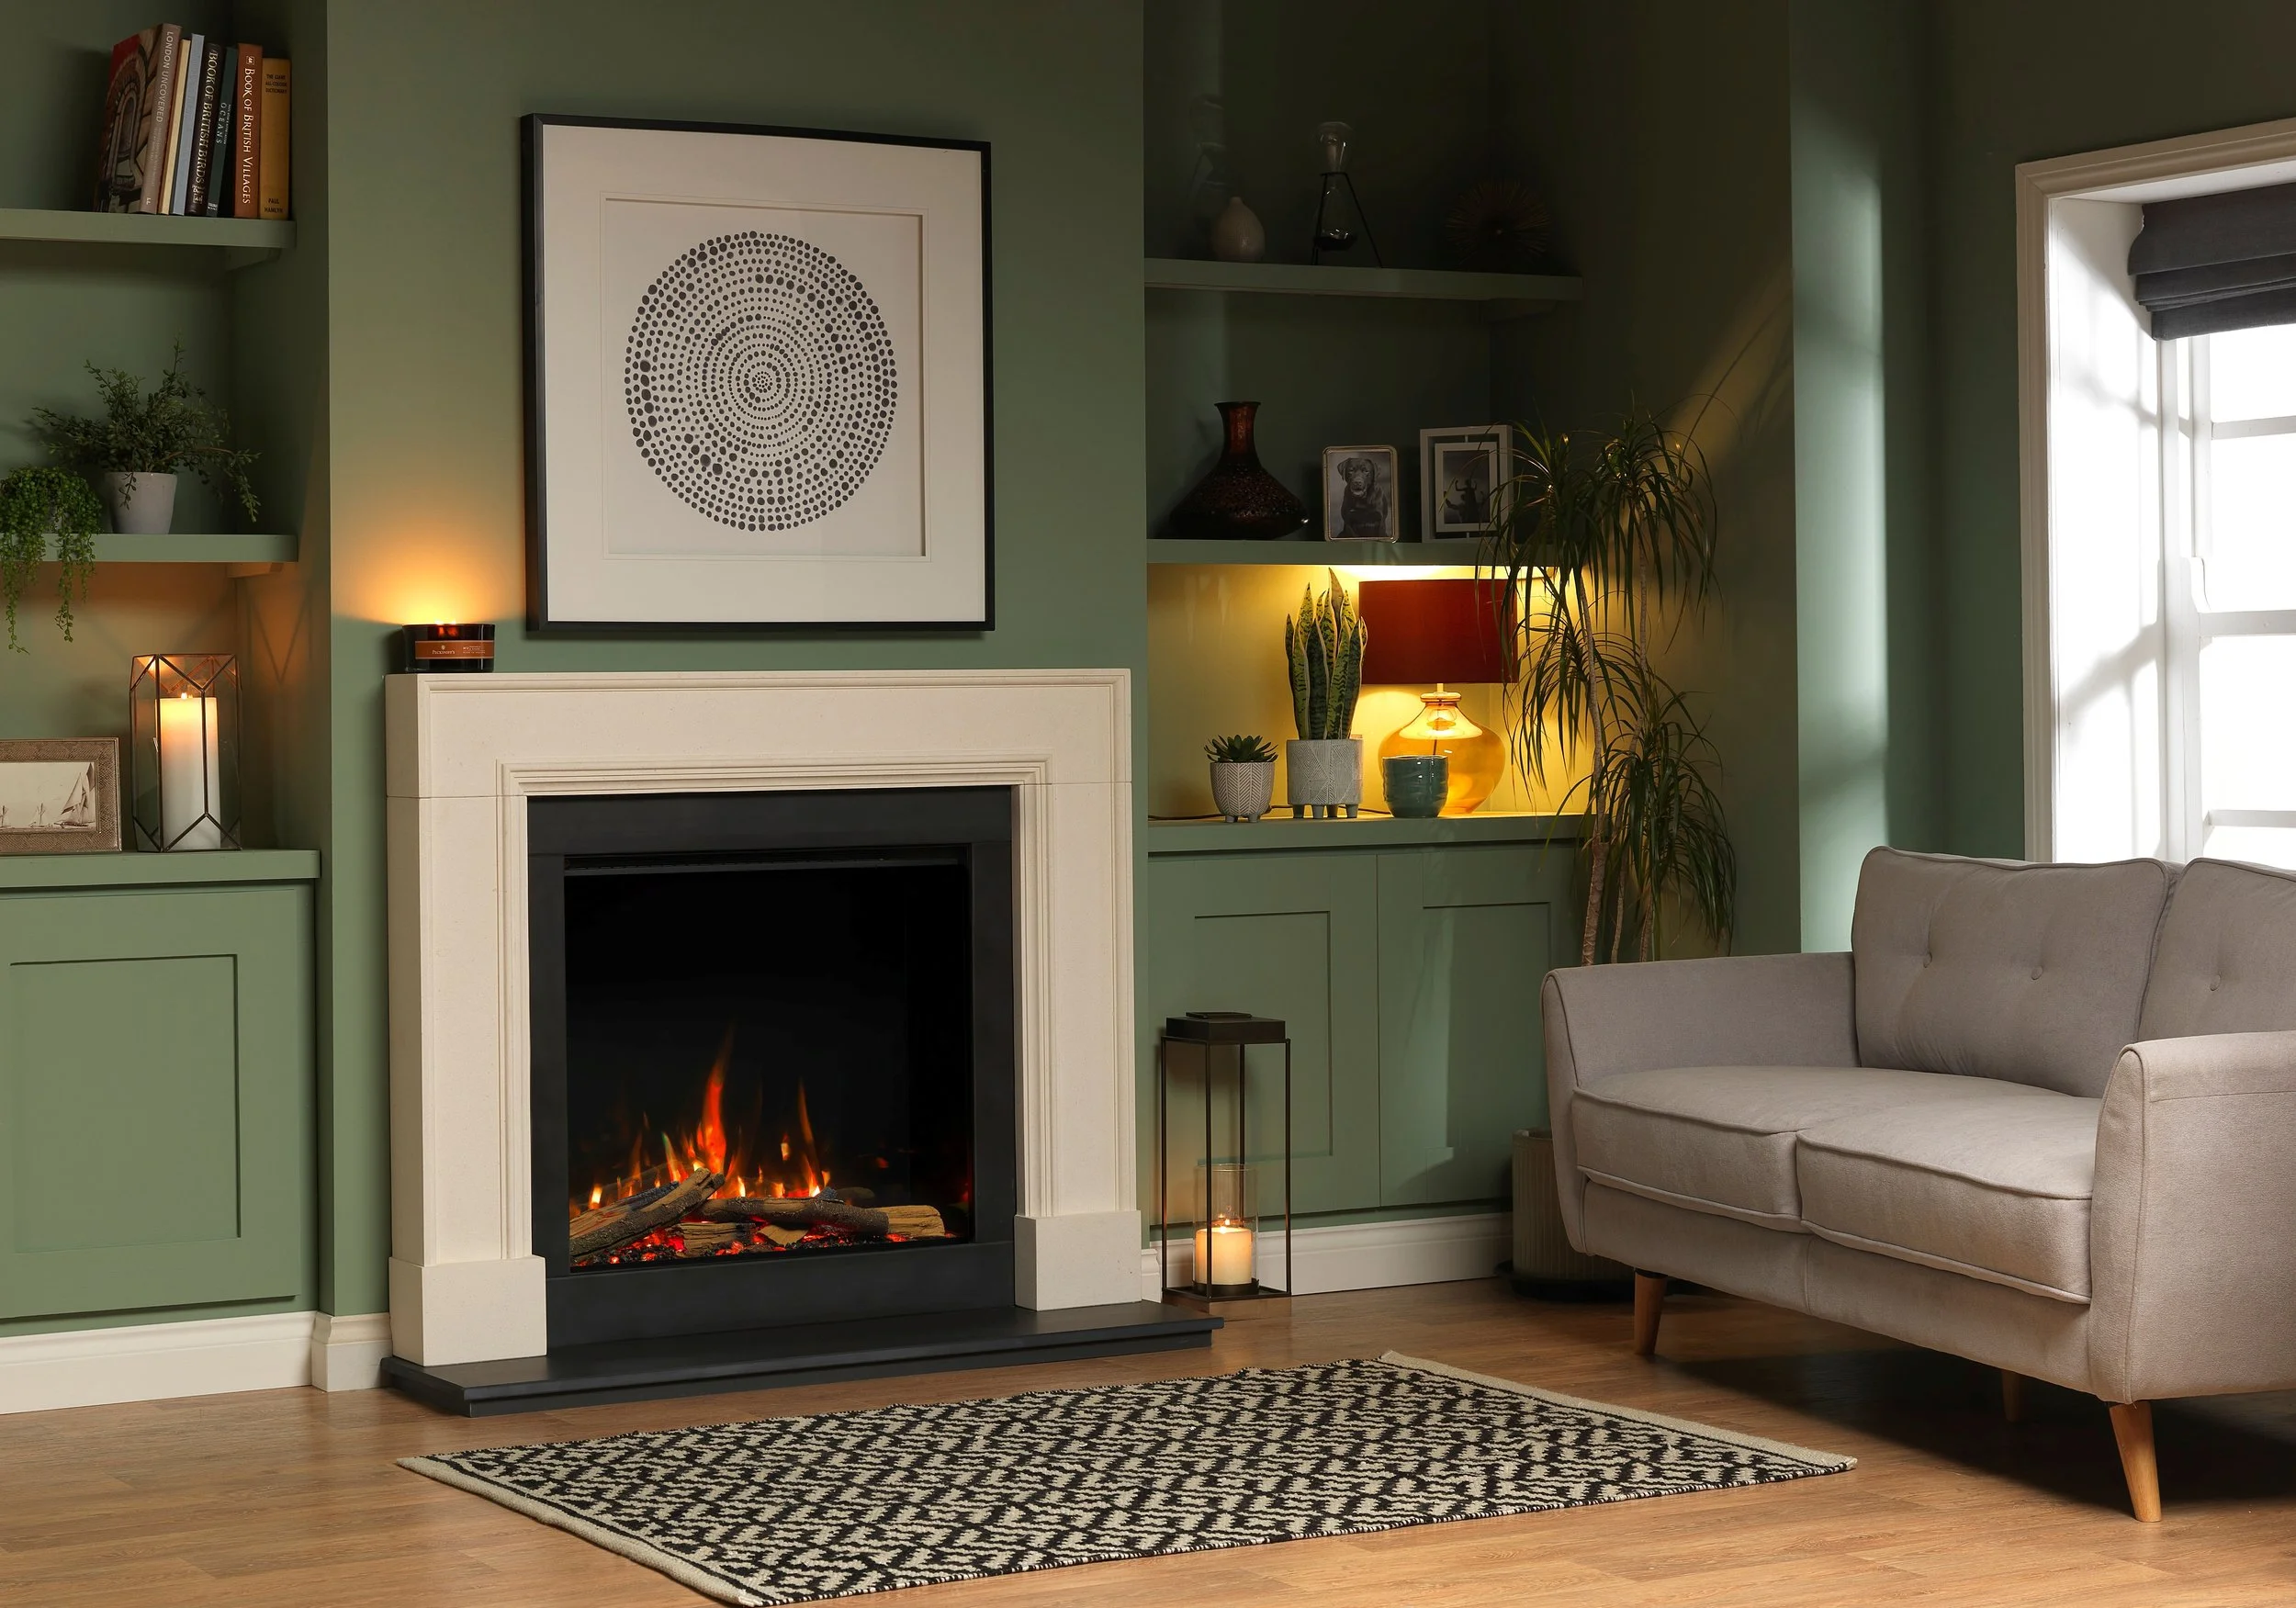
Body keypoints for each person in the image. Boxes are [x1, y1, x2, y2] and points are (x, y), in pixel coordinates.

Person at [1334, 454, 1390, 538]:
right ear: (1344, 473)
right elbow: (1348, 525)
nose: (1358, 479)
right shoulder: (1348, 496)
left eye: (1365, 471)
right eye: (1351, 471)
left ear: (1374, 475)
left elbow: (1381, 528)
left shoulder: (1379, 497)